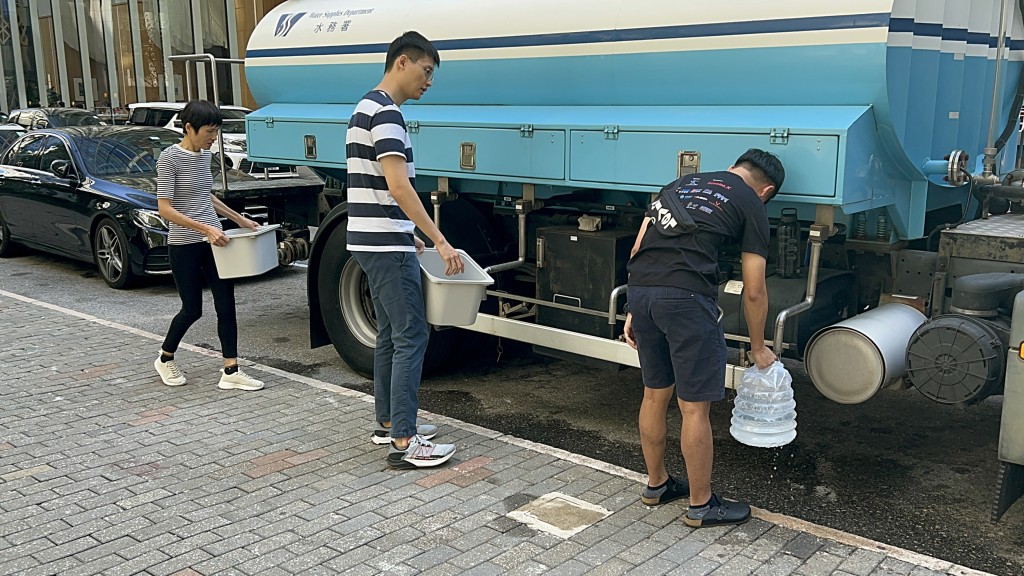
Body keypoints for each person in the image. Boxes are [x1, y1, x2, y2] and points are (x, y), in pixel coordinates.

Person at [624, 149, 785, 527]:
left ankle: (657, 485)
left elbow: (638, 248)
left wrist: (634, 306)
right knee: (693, 407)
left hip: (642, 290)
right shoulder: (750, 202)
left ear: (733, 167)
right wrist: (758, 347)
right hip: (685, 299)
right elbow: (755, 289)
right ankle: (700, 505)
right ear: (767, 190)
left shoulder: (675, 185)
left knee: (653, 393)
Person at [346, 31, 464, 469]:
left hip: (370, 236)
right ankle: (404, 439)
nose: (428, 82)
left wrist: (405, 231)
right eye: (426, 71)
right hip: (383, 243)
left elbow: (373, 185)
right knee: (413, 333)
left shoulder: (364, 106)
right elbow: (398, 186)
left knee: (391, 335)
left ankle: (389, 422)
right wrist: (437, 238)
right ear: (402, 62)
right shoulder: (388, 114)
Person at [154, 99, 265, 392]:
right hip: (185, 243)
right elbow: (165, 208)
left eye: (216, 132)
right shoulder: (169, 158)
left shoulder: (204, 157)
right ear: (189, 128)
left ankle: (231, 370)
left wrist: (239, 219)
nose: (213, 138)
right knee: (192, 309)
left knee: (226, 304)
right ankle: (165, 358)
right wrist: (204, 228)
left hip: (214, 241)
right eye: (209, 132)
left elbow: (207, 197)